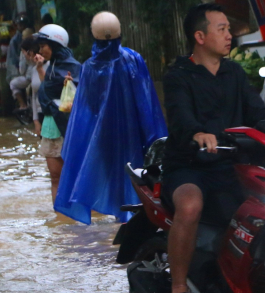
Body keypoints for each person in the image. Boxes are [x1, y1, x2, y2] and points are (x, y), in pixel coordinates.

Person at [160, 3, 265, 293]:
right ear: (200, 36)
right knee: (190, 204)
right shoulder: (178, 76)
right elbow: (181, 116)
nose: (229, 36)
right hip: (188, 165)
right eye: (222, 29)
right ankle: (178, 289)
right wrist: (198, 134)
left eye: (229, 29)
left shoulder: (234, 72)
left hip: (229, 165)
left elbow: (259, 111)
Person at [54, 12, 168, 224]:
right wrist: (152, 136)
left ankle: (120, 221)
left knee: (114, 179)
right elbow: (146, 101)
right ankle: (134, 220)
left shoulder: (89, 67)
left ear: (93, 36)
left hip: (104, 137)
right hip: (134, 134)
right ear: (120, 33)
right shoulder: (134, 59)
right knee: (137, 178)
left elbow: (85, 109)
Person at [35, 24, 81, 205]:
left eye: (42, 46)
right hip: (50, 126)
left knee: (74, 175)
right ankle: (60, 219)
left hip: (68, 126)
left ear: (54, 45)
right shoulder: (51, 66)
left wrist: (71, 85)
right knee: (55, 177)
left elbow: (81, 97)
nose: (40, 50)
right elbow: (48, 90)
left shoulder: (73, 67)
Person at [20, 37, 44, 135]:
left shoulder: (50, 66)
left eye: (23, 52)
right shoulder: (34, 69)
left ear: (30, 52)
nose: (23, 56)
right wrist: (36, 120)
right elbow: (34, 96)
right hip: (40, 113)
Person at [9, 26, 34, 111]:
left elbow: (22, 70)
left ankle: (23, 105)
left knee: (13, 83)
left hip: (29, 77)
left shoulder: (24, 50)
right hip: (40, 75)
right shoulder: (39, 45)